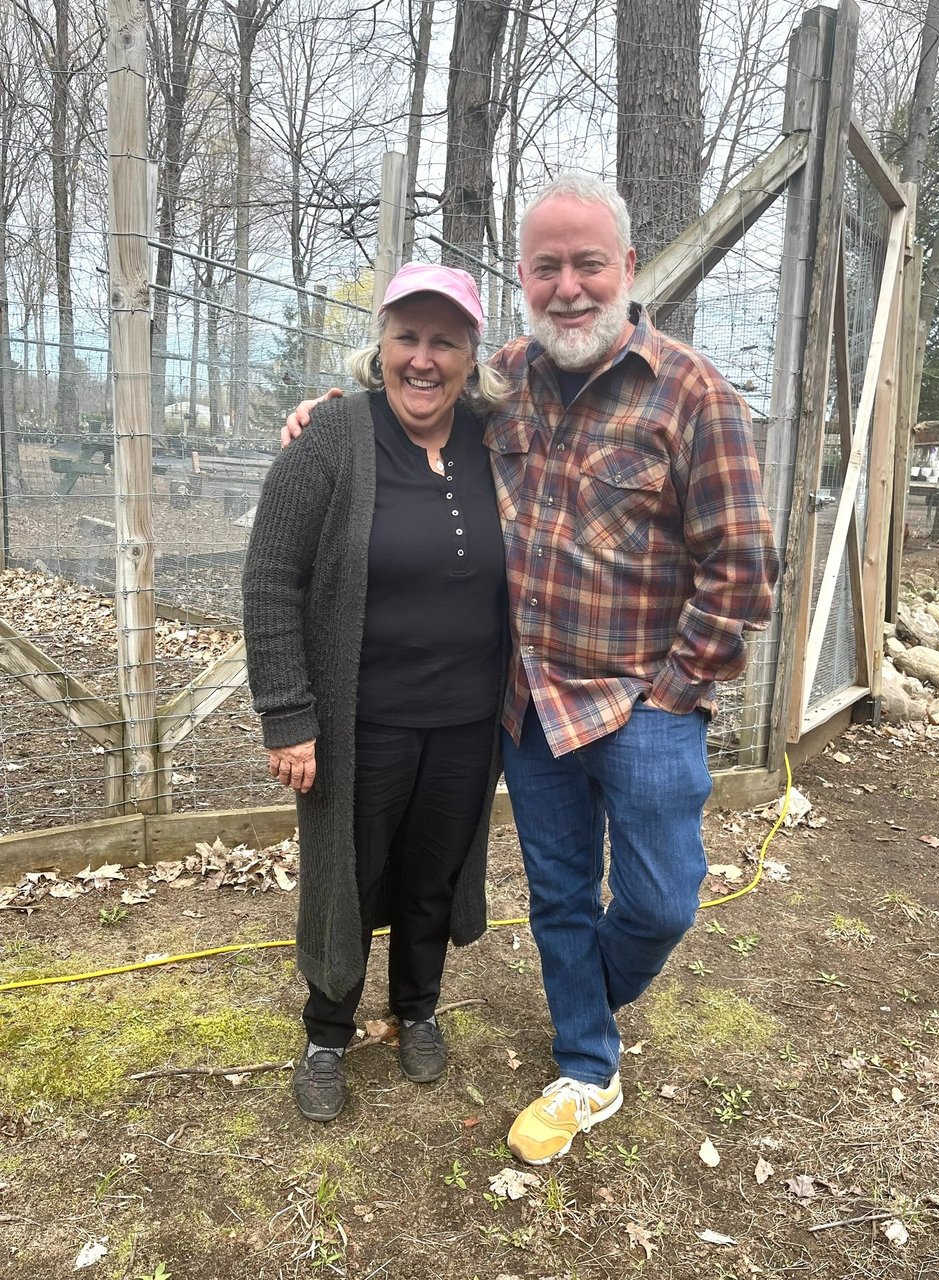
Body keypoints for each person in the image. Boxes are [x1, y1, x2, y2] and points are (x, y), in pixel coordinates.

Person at [283, 174, 780, 1162]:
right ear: (522, 277)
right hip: (529, 707)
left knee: (660, 897)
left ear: (627, 269)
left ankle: (588, 997)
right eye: (545, 266)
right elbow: (405, 394)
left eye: (586, 263)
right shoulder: (501, 379)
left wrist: (675, 690)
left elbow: (742, 568)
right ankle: (587, 1063)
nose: (567, 286)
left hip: (644, 704)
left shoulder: (691, 393)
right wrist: (330, 413)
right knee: (556, 890)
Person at [243, 263, 509, 1124]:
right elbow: (270, 580)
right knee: (347, 883)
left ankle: (416, 1010)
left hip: (469, 720)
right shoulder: (332, 438)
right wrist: (289, 717)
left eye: (445, 342)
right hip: (362, 723)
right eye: (407, 339)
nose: (423, 360)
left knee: (434, 873)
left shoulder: (498, 437)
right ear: (380, 347)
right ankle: (327, 1032)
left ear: (473, 355)